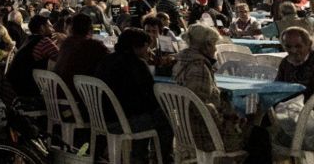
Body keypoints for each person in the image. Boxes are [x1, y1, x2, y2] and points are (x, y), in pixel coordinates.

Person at [174, 24, 266, 158]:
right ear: (208, 45)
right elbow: (200, 107)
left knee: (251, 123)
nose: (216, 49)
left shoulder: (181, 63)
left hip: (186, 130)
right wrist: (228, 119)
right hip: (206, 135)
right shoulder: (199, 68)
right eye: (215, 45)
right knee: (260, 135)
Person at [95, 28, 173, 164]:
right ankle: (160, 159)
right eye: (146, 46)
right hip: (123, 121)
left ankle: (139, 157)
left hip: (102, 118)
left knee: (146, 115)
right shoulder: (136, 64)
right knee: (164, 116)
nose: (148, 50)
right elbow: (151, 97)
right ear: (138, 46)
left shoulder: (106, 60)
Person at [6, 15, 59, 105]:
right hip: (28, 89)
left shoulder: (29, 40)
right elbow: (61, 60)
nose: (53, 29)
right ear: (42, 28)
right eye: (49, 26)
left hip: (14, 86)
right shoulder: (44, 41)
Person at [52, 13, 108, 96]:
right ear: (90, 28)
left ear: (71, 28)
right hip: (77, 94)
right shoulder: (93, 45)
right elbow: (110, 61)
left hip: (59, 90)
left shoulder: (66, 43)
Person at [275, 27, 314, 100]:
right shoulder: (285, 62)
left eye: (298, 46)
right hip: (287, 105)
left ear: (308, 45)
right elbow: (277, 86)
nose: (293, 50)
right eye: (288, 46)